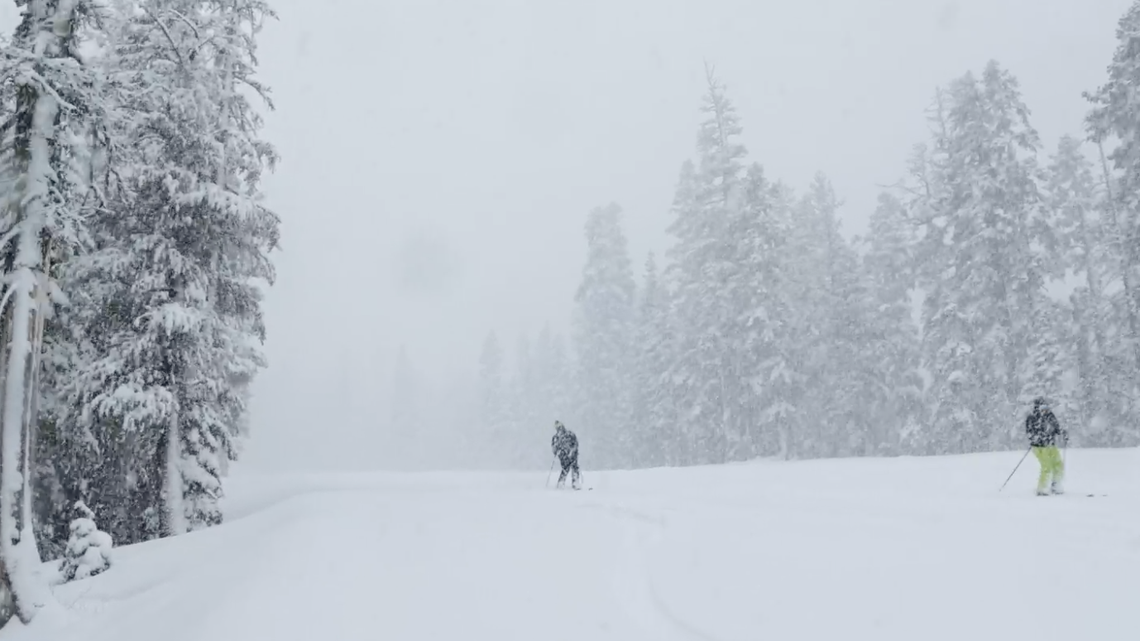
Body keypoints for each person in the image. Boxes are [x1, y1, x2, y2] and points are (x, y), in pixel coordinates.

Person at [1025, 397, 1067, 496]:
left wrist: (1062, 432)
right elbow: (1029, 433)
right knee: (1047, 466)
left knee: (1058, 464)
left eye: (1046, 407)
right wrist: (1036, 437)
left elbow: (1057, 428)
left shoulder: (1050, 416)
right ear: (1037, 407)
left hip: (1050, 444)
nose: (1045, 409)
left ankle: (1056, 485)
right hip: (1039, 447)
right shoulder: (1032, 418)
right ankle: (1042, 489)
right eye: (1042, 407)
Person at [551, 420, 581, 490]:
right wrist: (557, 452)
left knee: (572, 467)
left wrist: (573, 450)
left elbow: (575, 443)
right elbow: (554, 448)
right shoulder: (556, 437)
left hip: (570, 454)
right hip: (565, 455)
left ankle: (572, 482)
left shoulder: (568, 434)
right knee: (568, 468)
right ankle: (564, 483)